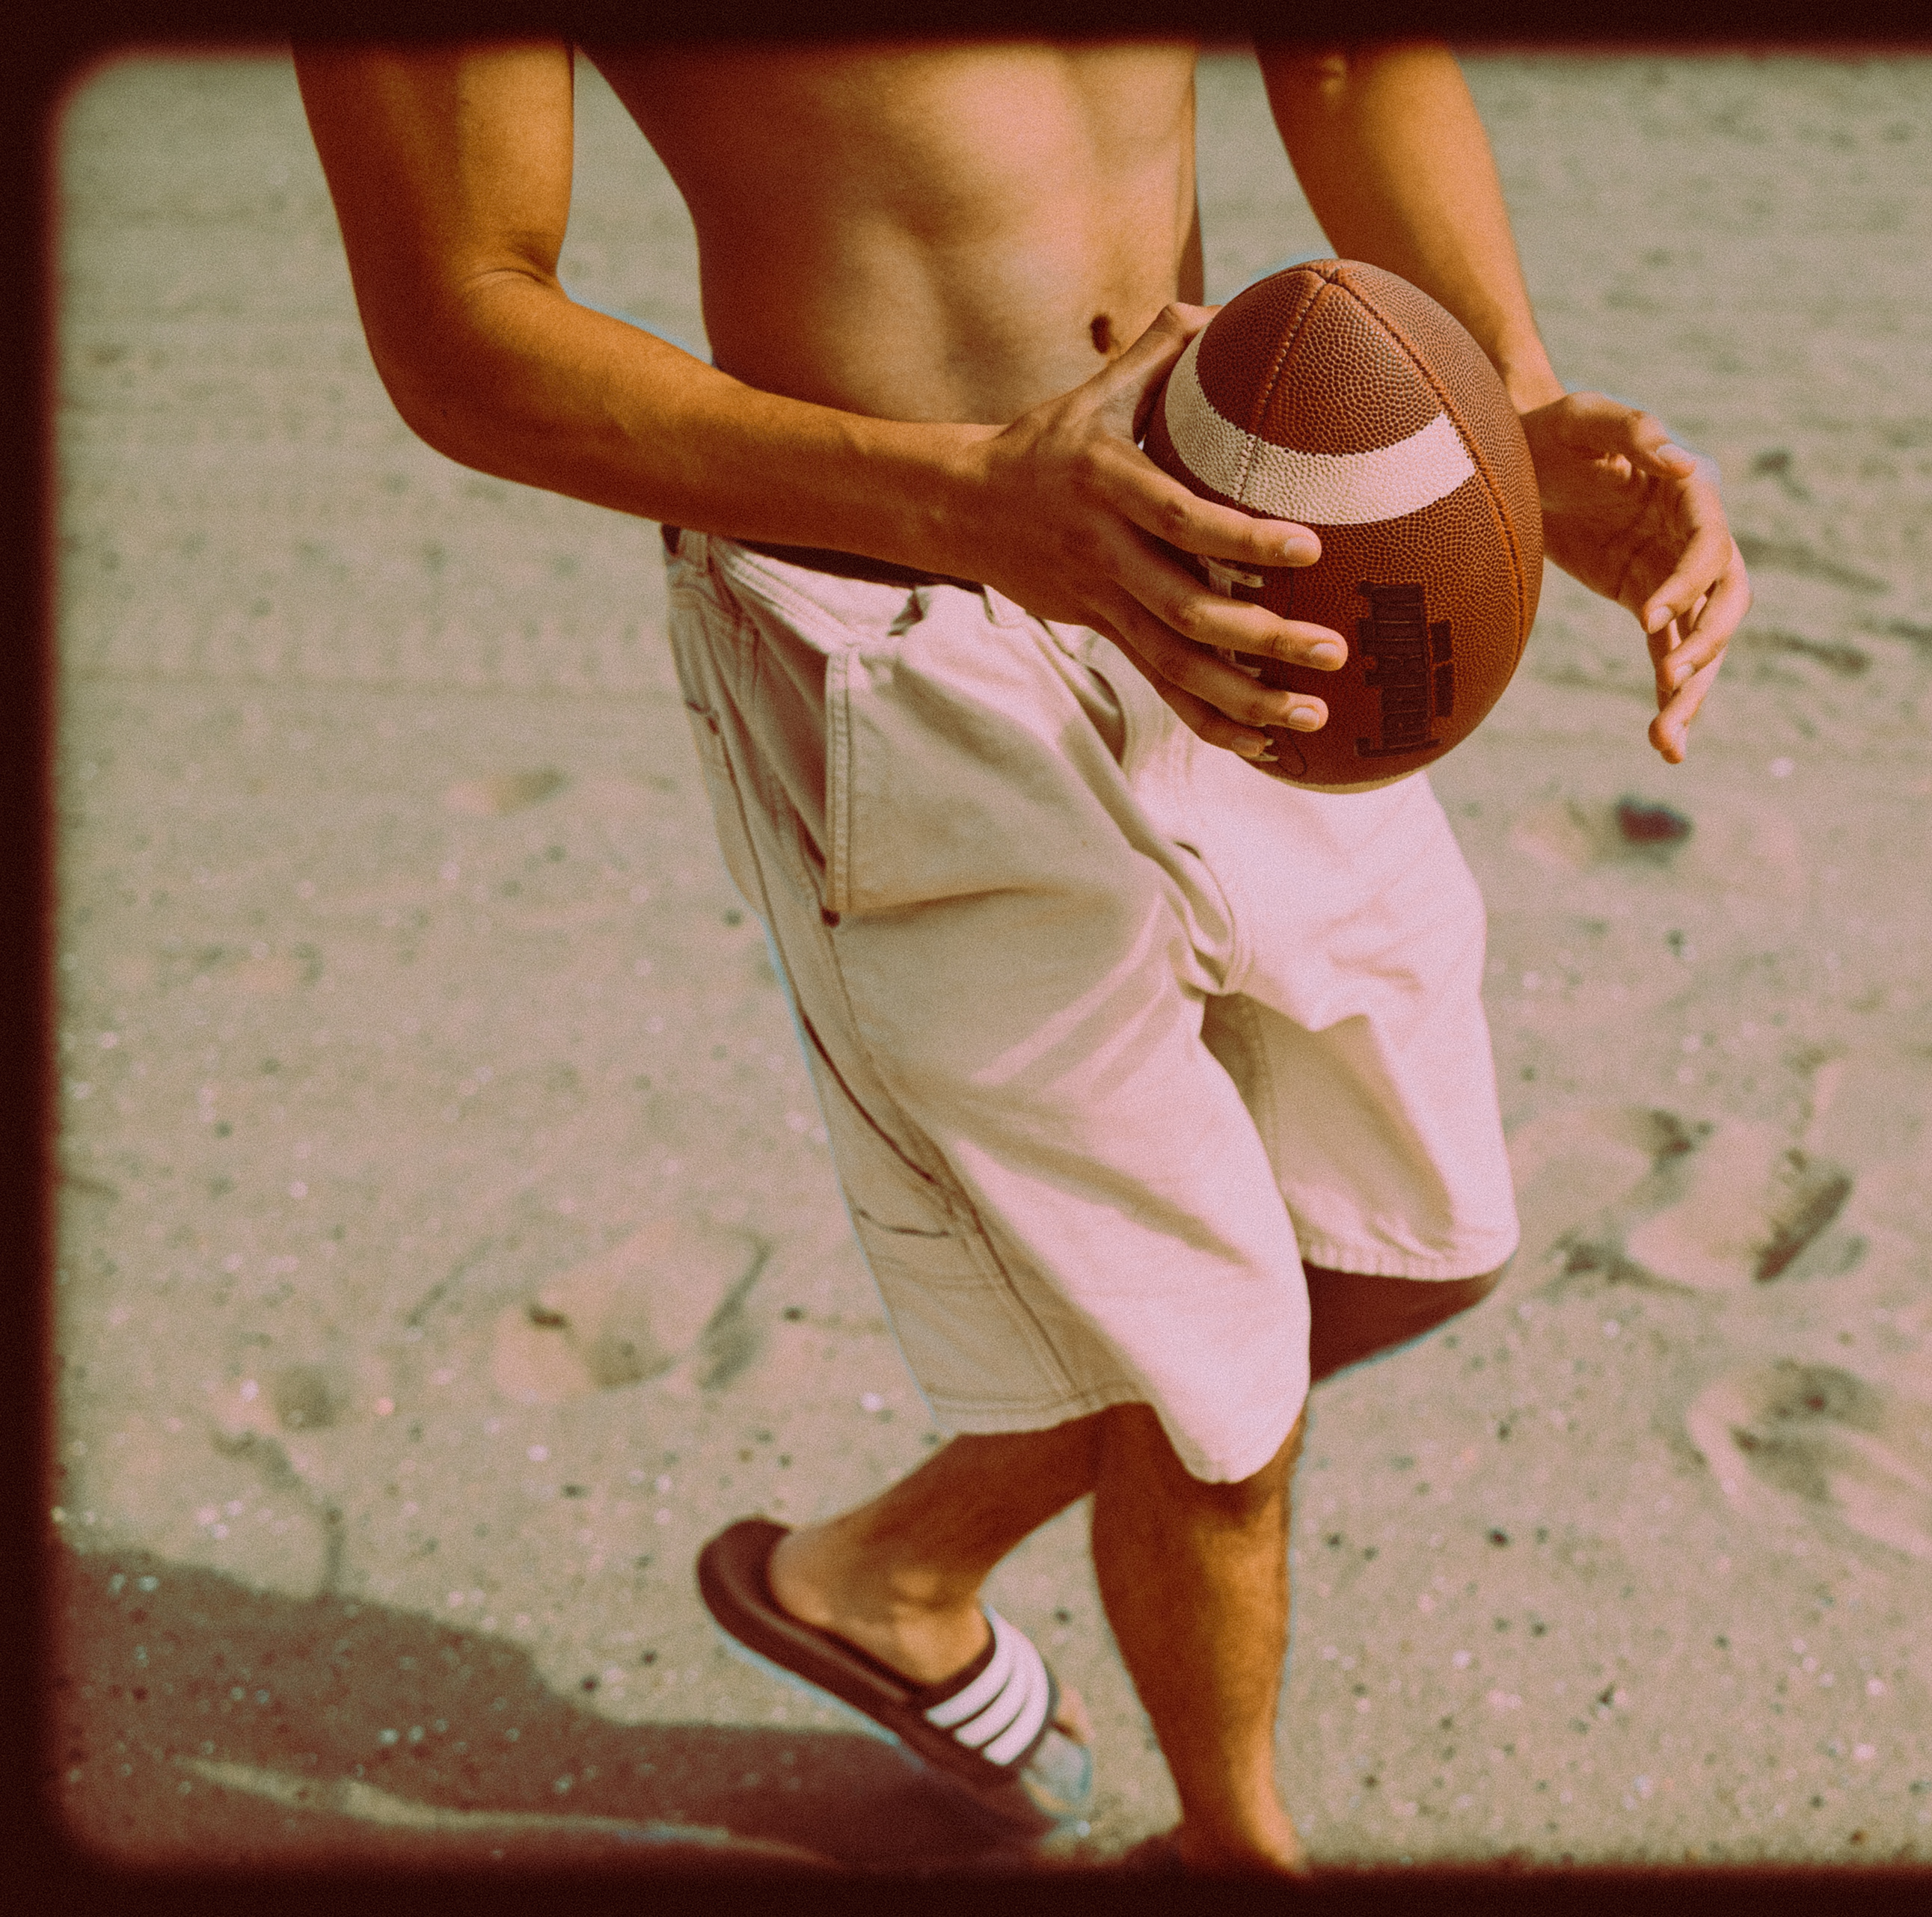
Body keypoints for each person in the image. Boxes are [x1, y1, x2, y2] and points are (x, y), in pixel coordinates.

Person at [294, 37, 1748, 1874]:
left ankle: (888, 1575)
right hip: (895, 621)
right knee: (1213, 1394)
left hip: (1251, 545)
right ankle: (1236, 1853)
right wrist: (970, 497)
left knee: (1406, 1245)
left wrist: (1504, 416)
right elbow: (459, 318)